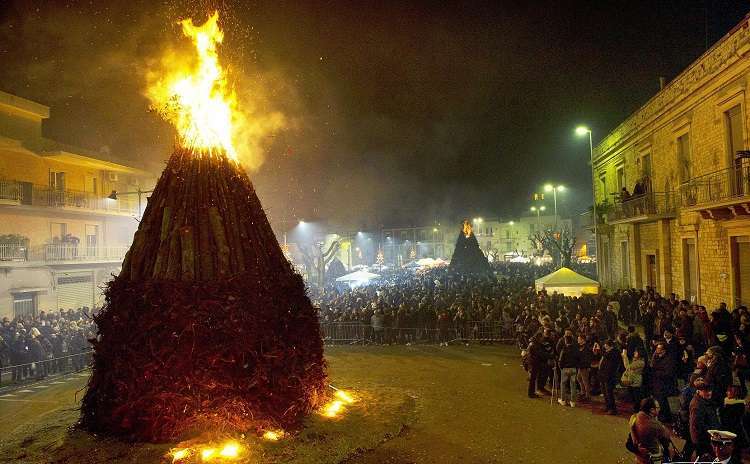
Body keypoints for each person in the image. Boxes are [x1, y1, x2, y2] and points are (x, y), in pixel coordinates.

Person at [629, 397, 672, 464]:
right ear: (652, 410)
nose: (659, 409)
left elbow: (630, 440)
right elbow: (667, 435)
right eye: (658, 407)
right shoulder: (653, 425)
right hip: (653, 458)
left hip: (640, 458)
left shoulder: (635, 418)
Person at [689, 377, 721, 457]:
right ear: (699, 391)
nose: (709, 393)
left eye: (710, 390)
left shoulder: (705, 400)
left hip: (710, 437)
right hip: (704, 441)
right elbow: (697, 426)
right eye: (706, 391)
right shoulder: (697, 405)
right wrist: (711, 436)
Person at [651, 342, 677, 423]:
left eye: (659, 349)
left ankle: (665, 417)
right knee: (660, 400)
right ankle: (664, 416)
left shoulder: (669, 359)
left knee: (663, 401)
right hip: (658, 383)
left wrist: (656, 372)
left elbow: (668, 373)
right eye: (657, 348)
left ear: (664, 350)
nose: (657, 350)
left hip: (665, 384)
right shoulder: (657, 357)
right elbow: (652, 366)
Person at [599, 339, 624, 415]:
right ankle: (608, 406)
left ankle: (612, 409)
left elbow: (612, 365)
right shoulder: (607, 352)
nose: (604, 346)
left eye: (605, 344)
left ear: (609, 345)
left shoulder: (614, 353)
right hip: (604, 375)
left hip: (609, 376)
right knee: (605, 392)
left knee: (609, 392)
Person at [557, 334, 579, 407]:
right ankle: (573, 402)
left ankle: (563, 400)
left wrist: (561, 367)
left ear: (566, 341)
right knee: (573, 385)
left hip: (565, 369)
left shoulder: (564, 349)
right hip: (573, 369)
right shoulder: (575, 349)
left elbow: (560, 360)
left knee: (563, 384)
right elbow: (578, 359)